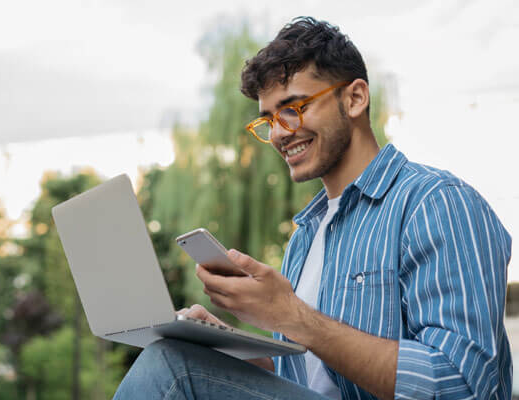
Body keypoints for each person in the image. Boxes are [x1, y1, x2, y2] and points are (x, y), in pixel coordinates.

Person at [114, 16, 512, 400]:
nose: (278, 134)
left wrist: (292, 315)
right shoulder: (307, 233)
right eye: (267, 120)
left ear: (355, 98)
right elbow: (305, 379)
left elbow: (460, 384)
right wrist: (225, 343)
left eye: (293, 108)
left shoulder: (435, 202)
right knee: (183, 356)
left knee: (170, 366)